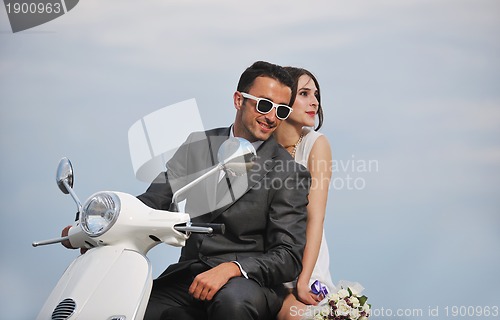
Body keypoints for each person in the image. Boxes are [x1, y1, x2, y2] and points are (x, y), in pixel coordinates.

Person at [136, 61, 311, 319]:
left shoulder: (288, 172)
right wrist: (100, 221)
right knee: (134, 307)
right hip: (188, 276)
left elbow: (288, 256)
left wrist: (233, 268)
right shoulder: (199, 146)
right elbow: (156, 198)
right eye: (264, 105)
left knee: (233, 303)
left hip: (247, 283)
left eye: (282, 110)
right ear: (239, 100)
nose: (272, 117)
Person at [274, 67, 334, 320]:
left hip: (305, 260)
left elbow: (315, 216)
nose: (314, 102)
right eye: (304, 93)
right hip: (267, 259)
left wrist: (304, 279)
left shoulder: (316, 144)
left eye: (316, 94)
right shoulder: (261, 143)